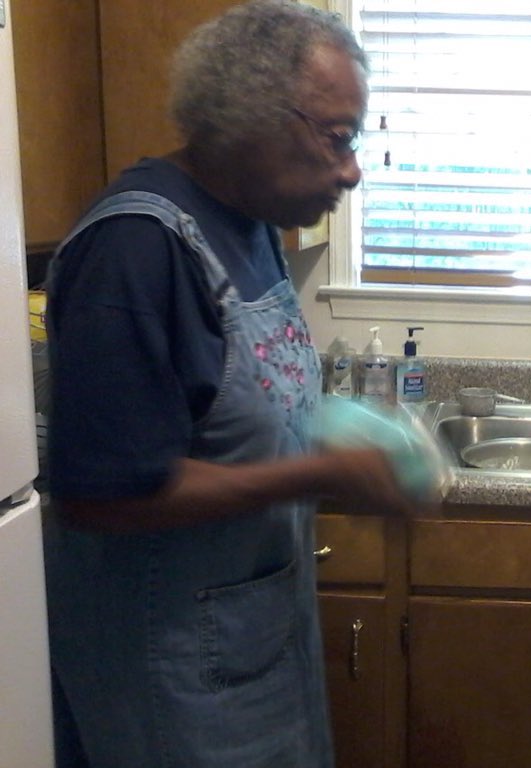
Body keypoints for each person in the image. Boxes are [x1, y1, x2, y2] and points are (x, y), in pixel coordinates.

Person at [43, 2, 413, 766]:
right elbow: (99, 495)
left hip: (252, 648)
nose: (351, 169)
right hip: (167, 668)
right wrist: (319, 470)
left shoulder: (250, 226)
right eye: (336, 139)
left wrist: (344, 437)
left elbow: (235, 408)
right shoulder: (136, 251)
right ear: (247, 114)